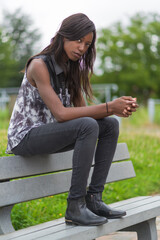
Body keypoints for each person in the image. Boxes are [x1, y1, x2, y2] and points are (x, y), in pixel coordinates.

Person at [6, 13, 138, 226]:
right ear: (63, 36)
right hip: (25, 137)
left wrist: (115, 110)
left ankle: (94, 199)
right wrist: (109, 106)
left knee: (109, 125)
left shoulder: (73, 69)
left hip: (50, 134)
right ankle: (75, 206)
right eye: (78, 41)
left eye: (87, 44)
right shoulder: (40, 65)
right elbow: (61, 114)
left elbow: (85, 114)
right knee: (88, 124)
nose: (82, 48)